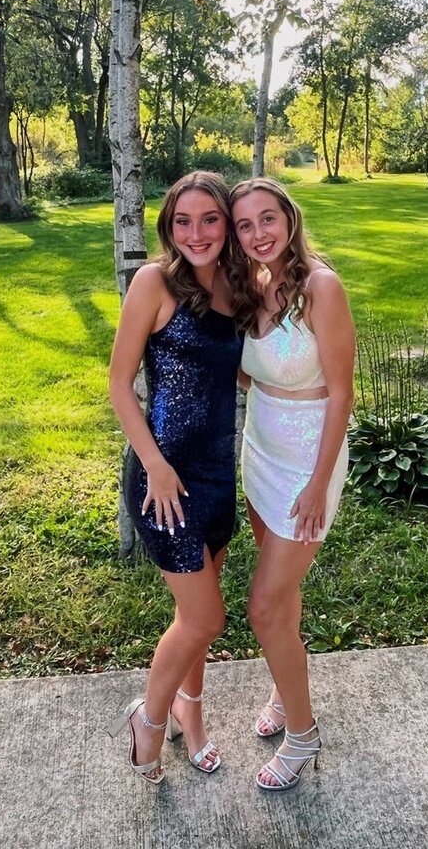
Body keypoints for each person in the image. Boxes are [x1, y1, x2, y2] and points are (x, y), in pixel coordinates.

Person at [107, 171, 242, 784]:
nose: (197, 233)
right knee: (205, 618)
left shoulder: (238, 288)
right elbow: (119, 386)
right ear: (168, 228)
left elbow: (238, 371)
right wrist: (156, 466)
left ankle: (193, 715)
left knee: (196, 620)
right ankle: (150, 718)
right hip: (163, 480)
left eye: (210, 219)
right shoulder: (154, 283)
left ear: (227, 225)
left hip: (217, 473)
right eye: (182, 221)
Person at [229, 177, 355, 792]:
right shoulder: (253, 285)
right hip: (260, 453)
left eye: (267, 218)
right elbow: (251, 374)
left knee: (263, 606)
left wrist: (318, 483)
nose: (258, 233)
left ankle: (303, 735)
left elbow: (342, 394)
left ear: (289, 217)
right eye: (245, 224)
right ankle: (287, 690)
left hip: (308, 463)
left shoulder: (320, 288)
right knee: (284, 599)